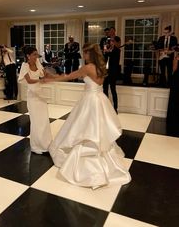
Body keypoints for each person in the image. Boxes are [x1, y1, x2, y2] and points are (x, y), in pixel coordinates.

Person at [45, 43, 131, 189]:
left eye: (85, 53)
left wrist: (51, 78)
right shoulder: (100, 67)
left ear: (90, 54)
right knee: (98, 128)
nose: (83, 56)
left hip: (90, 100)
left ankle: (87, 160)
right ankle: (101, 152)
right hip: (99, 98)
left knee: (84, 128)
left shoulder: (88, 67)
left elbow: (68, 76)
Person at [18, 46, 52, 154]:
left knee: (44, 120)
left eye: (37, 54)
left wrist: (48, 74)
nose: (36, 56)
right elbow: (29, 80)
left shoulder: (37, 63)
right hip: (32, 96)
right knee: (36, 121)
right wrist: (40, 80)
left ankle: (46, 143)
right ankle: (36, 145)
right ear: (28, 56)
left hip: (40, 95)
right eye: (34, 54)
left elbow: (43, 74)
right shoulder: (24, 66)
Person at [103, 36, 121, 113]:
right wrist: (104, 52)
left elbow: (112, 55)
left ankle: (115, 108)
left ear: (116, 42)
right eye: (110, 41)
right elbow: (104, 58)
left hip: (112, 73)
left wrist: (107, 51)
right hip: (105, 72)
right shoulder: (107, 50)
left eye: (113, 41)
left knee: (113, 90)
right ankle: (106, 107)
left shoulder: (117, 50)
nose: (111, 42)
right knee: (105, 90)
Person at [166, 50, 179, 137]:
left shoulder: (178, 56)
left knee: (175, 99)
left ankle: (174, 119)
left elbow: (174, 68)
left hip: (177, 79)